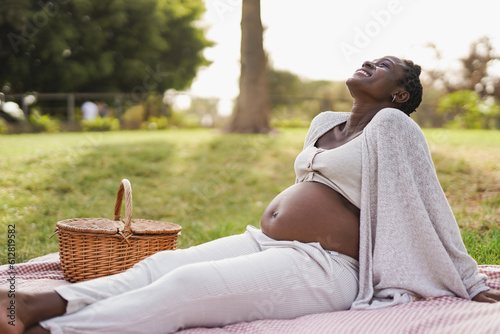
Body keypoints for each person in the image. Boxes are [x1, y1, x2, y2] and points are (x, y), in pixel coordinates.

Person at [2, 56, 499, 334]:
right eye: (371, 58)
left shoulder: (395, 127)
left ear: (399, 95)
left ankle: (55, 332)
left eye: (384, 66)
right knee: (159, 268)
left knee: (186, 289)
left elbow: (428, 204)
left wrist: (468, 280)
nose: (369, 62)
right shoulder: (325, 123)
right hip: (270, 244)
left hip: (330, 267)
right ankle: (37, 305)